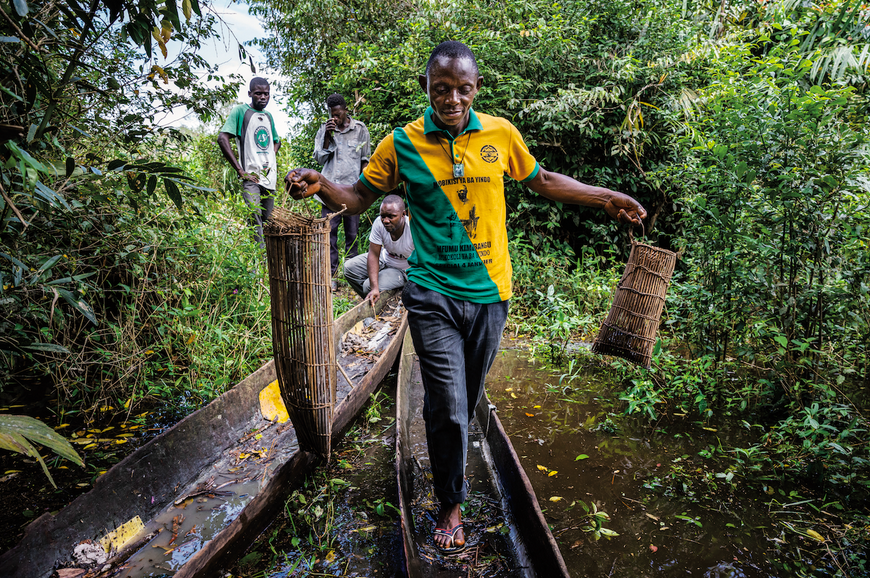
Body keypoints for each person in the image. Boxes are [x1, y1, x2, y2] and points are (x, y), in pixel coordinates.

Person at [285, 41, 646, 555]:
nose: (452, 99)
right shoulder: (401, 144)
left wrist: (607, 197)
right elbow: (357, 198)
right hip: (431, 293)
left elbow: (542, 180)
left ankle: (450, 466)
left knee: (467, 399)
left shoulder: (500, 134)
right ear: (427, 89)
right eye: (441, 89)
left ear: (475, 89)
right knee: (449, 408)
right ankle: (450, 504)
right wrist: (322, 184)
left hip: (491, 294)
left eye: (462, 89)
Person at [313, 93, 371, 288]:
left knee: (352, 235)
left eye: (338, 114)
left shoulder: (360, 129)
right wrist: (328, 136)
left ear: (346, 110)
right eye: (332, 115)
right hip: (329, 193)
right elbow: (319, 159)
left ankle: (352, 275)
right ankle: (332, 276)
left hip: (352, 193)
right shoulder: (324, 129)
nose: (335, 119)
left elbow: (365, 159)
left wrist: (364, 189)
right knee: (329, 236)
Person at [217, 77, 282, 249]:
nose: (263, 97)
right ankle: (257, 264)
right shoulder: (240, 111)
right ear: (250, 94)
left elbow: (277, 141)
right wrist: (240, 170)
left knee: (268, 220)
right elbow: (223, 139)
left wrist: (270, 156)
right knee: (255, 215)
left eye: (266, 94)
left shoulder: (268, 116)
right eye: (258, 93)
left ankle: (268, 263)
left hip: (269, 177)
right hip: (251, 177)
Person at [343, 194, 415, 304]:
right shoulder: (379, 223)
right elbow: (373, 254)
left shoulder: (412, 229)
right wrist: (375, 287)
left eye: (391, 216)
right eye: (383, 216)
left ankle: (383, 296)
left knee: (368, 286)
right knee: (349, 268)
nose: (386, 221)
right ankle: (373, 299)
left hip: (403, 269)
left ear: (403, 214)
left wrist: (372, 286)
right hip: (385, 257)